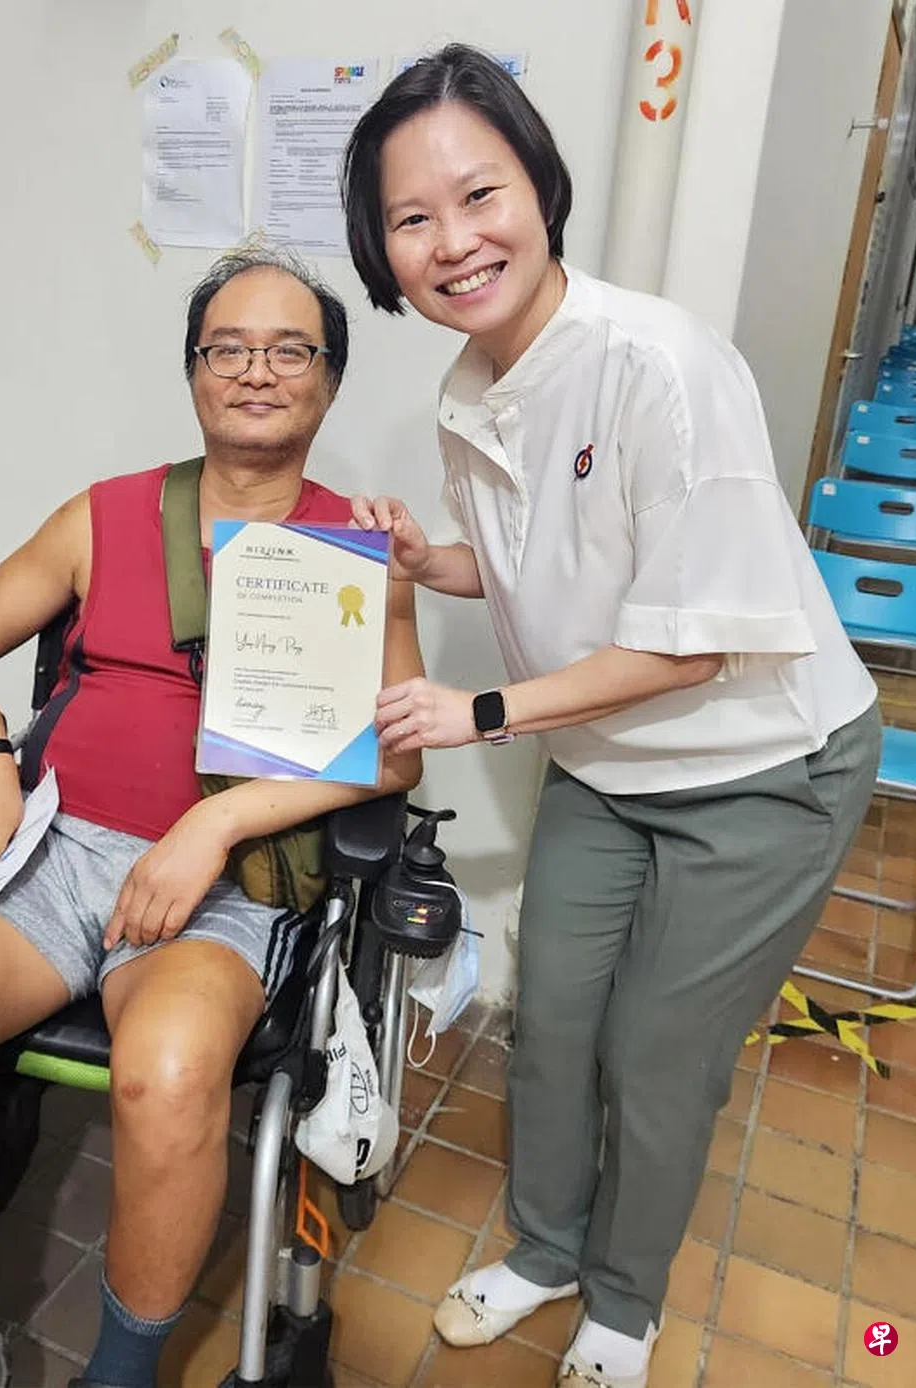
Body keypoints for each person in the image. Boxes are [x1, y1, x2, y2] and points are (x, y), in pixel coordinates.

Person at [342, 44, 880, 1388]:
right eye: (413, 218)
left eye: (481, 195)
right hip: (605, 761)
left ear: (541, 187)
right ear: (382, 246)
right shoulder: (468, 393)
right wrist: (430, 561)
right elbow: (550, 563)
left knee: (655, 1057)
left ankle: (624, 1303)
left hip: (766, 767)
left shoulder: (661, 365)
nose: (455, 242)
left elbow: (689, 645)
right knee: (557, 1019)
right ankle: (545, 1249)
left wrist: (476, 708)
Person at [0, 248, 424, 1388]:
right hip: (56, 849)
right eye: (229, 347)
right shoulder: (106, 514)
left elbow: (397, 750)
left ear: (330, 381)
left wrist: (212, 827)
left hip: (231, 879)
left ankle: (120, 1376)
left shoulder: (361, 549)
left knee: (167, 1070)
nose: (257, 370)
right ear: (194, 371)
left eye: (290, 350)